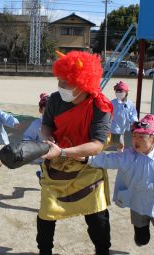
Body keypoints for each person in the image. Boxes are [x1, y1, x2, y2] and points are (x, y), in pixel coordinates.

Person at [39, 51, 113, 255]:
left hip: (87, 166)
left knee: (97, 216)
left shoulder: (100, 105)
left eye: (66, 82)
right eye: (59, 80)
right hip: (56, 167)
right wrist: (48, 140)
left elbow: (97, 144)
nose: (60, 86)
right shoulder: (54, 100)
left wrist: (62, 151)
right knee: (46, 213)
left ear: (83, 83)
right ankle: (44, 251)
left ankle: (102, 250)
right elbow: (46, 126)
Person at [82, 114, 154, 255]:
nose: (135, 140)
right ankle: (140, 236)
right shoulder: (127, 156)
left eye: (141, 137)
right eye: (134, 136)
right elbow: (109, 159)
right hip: (138, 205)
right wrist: (87, 158)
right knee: (142, 239)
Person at [22, 93, 49, 179]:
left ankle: (42, 175)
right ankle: (42, 176)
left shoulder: (59, 122)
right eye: (46, 111)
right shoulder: (36, 124)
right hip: (42, 157)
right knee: (46, 178)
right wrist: (33, 150)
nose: (50, 114)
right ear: (40, 110)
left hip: (57, 156)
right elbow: (27, 138)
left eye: (52, 110)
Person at [108, 81, 138, 152]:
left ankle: (119, 157)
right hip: (112, 128)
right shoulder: (112, 103)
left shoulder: (129, 103)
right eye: (117, 91)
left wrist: (134, 121)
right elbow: (107, 113)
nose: (119, 93)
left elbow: (133, 114)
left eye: (121, 91)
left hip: (122, 129)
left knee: (119, 145)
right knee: (111, 143)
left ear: (126, 93)